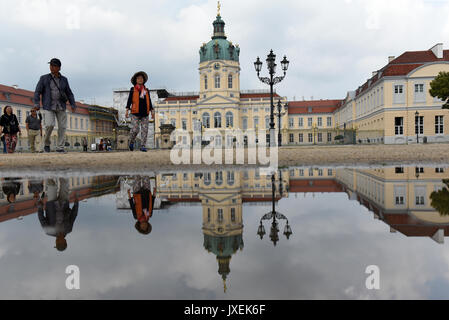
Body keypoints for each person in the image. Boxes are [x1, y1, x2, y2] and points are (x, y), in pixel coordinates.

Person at [33, 58, 77, 153]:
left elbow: (69, 93)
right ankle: (47, 143)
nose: (51, 67)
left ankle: (60, 147)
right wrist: (36, 103)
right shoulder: (44, 78)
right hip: (49, 106)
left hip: (61, 106)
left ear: (59, 68)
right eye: (50, 65)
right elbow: (37, 91)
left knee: (62, 127)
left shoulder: (64, 80)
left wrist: (73, 104)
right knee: (49, 125)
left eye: (54, 66)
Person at [37, 178, 78, 252]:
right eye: (59, 242)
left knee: (51, 185)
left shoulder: (49, 232)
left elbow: (41, 219)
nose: (57, 241)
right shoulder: (69, 229)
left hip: (51, 204)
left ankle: (49, 172)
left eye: (57, 243)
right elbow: (73, 216)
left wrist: (40, 207)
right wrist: (76, 204)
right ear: (65, 241)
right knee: (65, 183)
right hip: (64, 203)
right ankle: (61, 171)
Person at [125, 71, 154, 152]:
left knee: (145, 130)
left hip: (145, 113)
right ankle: (131, 141)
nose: (140, 79)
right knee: (135, 129)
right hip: (135, 113)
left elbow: (149, 101)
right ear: (136, 80)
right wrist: (127, 110)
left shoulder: (146, 90)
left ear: (144, 80)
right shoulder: (133, 89)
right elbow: (129, 100)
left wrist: (152, 111)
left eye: (141, 78)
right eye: (138, 78)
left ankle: (143, 146)